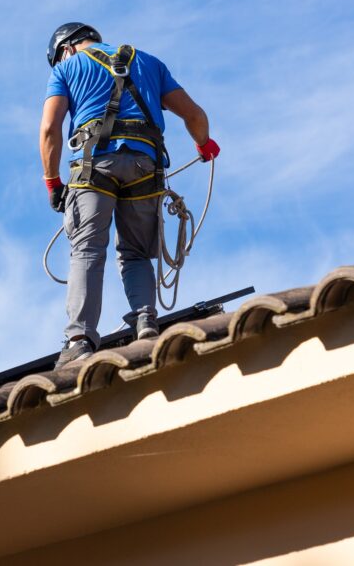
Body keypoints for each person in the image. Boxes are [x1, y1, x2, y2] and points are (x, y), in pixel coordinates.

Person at [39, 23, 220, 368]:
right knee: (136, 253)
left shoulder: (67, 68)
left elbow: (50, 129)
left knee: (87, 249)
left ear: (66, 49)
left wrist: (52, 182)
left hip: (94, 167)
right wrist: (204, 143)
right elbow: (194, 114)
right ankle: (145, 322)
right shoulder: (149, 62)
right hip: (145, 167)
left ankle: (79, 340)